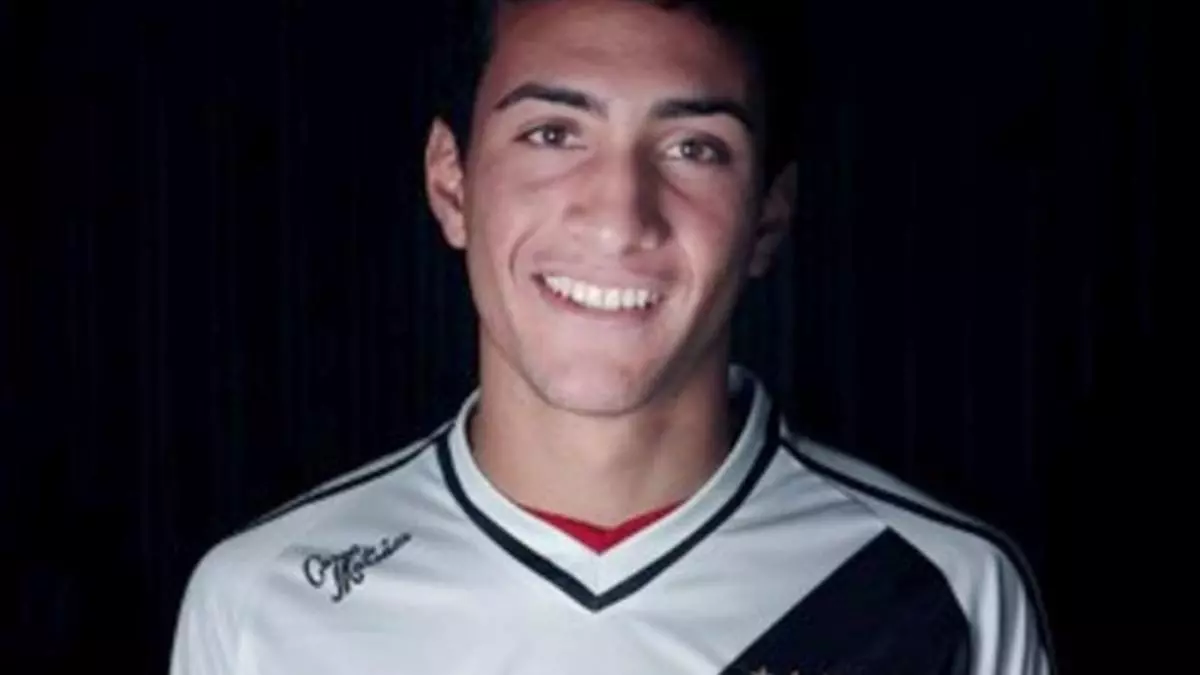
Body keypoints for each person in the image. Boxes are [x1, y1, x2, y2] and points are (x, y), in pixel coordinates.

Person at [169, 0, 1054, 673]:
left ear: (768, 217)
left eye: (693, 148)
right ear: (452, 183)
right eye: (553, 134)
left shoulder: (943, 591)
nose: (620, 217)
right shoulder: (264, 600)